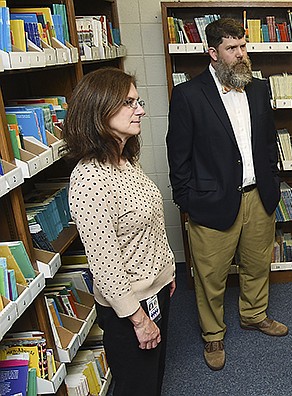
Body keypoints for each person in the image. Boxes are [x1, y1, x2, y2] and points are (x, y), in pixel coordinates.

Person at [166, 17, 287, 371]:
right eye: (232, 48)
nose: (241, 54)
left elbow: (268, 142)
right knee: (210, 275)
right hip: (211, 201)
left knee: (256, 264)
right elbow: (178, 154)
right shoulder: (189, 94)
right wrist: (187, 200)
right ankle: (213, 335)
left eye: (243, 46)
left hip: (258, 196)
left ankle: (253, 314)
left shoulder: (259, 88)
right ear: (213, 53)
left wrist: (273, 180)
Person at [65, 68, 176, 396]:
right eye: (129, 102)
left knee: (153, 380)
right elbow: (105, 266)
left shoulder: (125, 160)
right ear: (99, 110)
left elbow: (150, 225)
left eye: (137, 100)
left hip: (155, 292)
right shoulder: (89, 180)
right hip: (129, 309)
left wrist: (167, 270)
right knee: (136, 387)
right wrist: (139, 320)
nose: (140, 109)